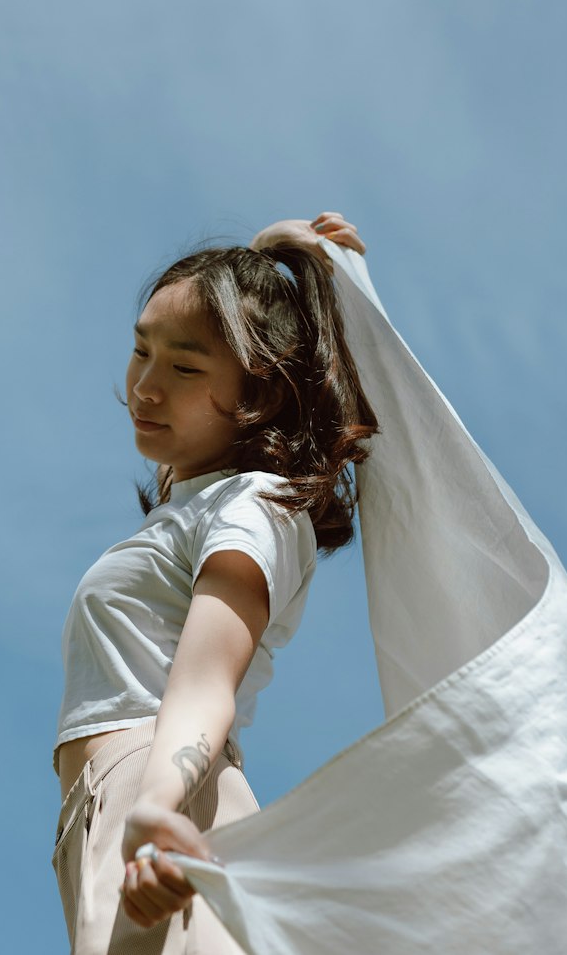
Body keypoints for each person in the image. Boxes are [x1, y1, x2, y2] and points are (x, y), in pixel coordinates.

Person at [52, 212, 380, 954]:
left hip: (164, 798)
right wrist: (275, 253)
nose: (146, 387)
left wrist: (159, 805)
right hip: (116, 809)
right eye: (141, 350)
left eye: (185, 368)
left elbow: (206, 681)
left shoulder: (252, 506)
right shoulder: (195, 500)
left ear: (259, 394)